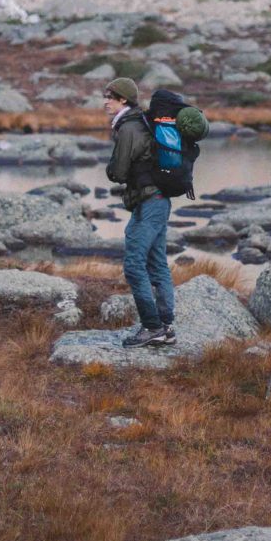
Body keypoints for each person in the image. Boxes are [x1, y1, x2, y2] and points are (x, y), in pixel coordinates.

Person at [102, 77, 176, 347]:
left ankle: (152, 326)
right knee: (156, 263)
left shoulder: (129, 127)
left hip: (148, 203)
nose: (105, 101)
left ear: (123, 99)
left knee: (134, 266)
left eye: (109, 96)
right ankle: (166, 327)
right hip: (159, 200)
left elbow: (118, 172)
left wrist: (110, 171)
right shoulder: (140, 122)